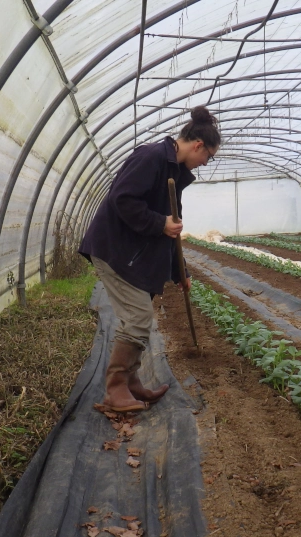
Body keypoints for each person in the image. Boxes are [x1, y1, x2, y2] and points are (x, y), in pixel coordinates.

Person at [78, 106, 220, 412]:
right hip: (114, 250)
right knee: (139, 317)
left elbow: (172, 229)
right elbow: (123, 199)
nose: (205, 162)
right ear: (198, 145)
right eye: (208, 156)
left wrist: (180, 271)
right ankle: (114, 390)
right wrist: (159, 223)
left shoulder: (173, 172)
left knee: (139, 317)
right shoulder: (151, 157)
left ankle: (131, 384)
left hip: (131, 254)